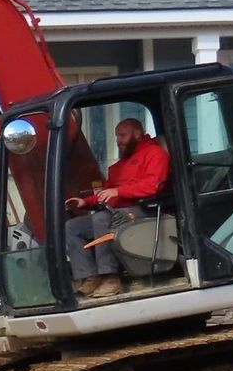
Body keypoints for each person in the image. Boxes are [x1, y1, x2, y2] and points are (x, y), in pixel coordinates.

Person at [64, 117, 171, 298]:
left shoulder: (155, 154)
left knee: (101, 219)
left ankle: (110, 277)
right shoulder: (118, 167)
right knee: (73, 227)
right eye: (116, 136)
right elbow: (107, 192)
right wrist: (86, 202)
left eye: (122, 135)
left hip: (144, 209)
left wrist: (119, 191)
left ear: (137, 134)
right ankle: (90, 276)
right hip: (117, 211)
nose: (118, 140)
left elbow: (153, 185)